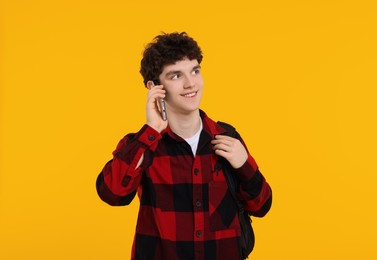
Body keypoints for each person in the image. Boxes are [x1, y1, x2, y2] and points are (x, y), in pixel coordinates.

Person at [96, 32, 272, 260]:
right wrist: (151, 132)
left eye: (195, 71)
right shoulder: (142, 145)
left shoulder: (227, 137)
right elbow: (112, 193)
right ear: (155, 87)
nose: (191, 83)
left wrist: (244, 165)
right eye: (176, 75)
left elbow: (262, 206)